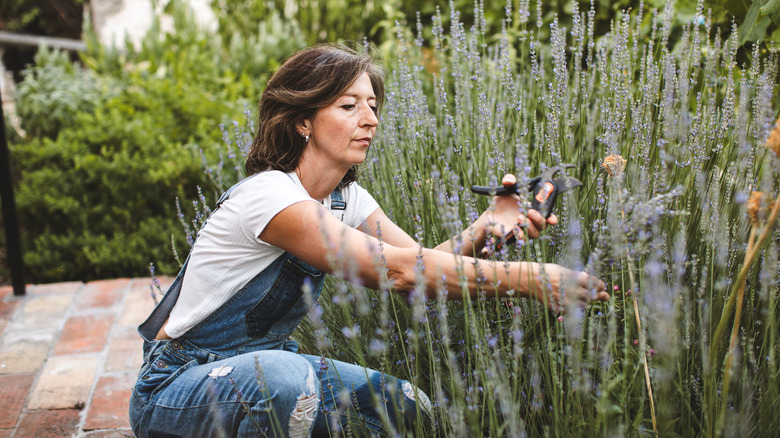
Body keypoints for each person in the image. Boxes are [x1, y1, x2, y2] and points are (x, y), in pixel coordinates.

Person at [129, 44, 609, 438]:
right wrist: (529, 278)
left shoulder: (347, 199)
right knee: (281, 383)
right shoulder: (269, 195)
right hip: (179, 386)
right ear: (303, 121)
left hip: (268, 371)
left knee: (407, 408)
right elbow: (396, 271)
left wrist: (483, 227)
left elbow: (417, 268)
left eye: (373, 106)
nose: (370, 119)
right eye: (348, 105)